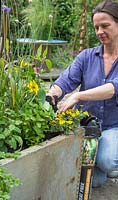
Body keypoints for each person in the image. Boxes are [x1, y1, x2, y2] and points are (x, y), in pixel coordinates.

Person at [47, 0, 118, 188]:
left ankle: (102, 158)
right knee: (93, 181)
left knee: (108, 161)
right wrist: (53, 94)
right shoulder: (87, 56)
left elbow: (113, 88)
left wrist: (78, 96)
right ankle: (95, 161)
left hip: (113, 126)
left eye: (105, 26)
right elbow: (65, 81)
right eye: (96, 27)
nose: (99, 32)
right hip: (86, 126)